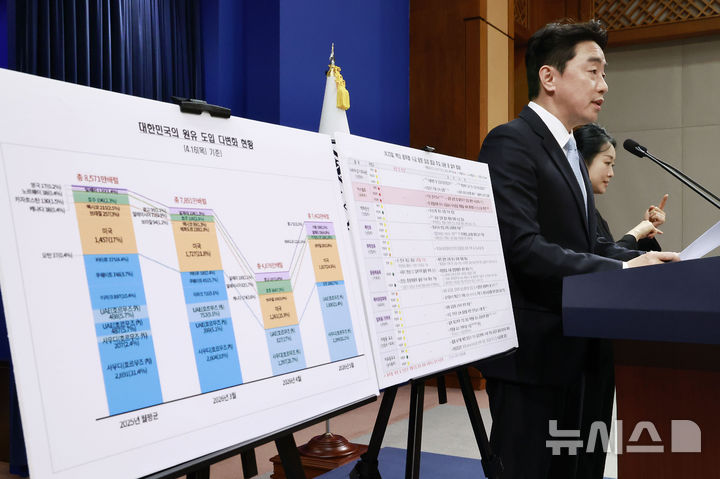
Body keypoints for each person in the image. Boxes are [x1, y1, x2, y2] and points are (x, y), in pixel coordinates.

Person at [476, 19, 679, 479]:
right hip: (536, 360)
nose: (603, 85)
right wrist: (622, 273)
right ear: (549, 77)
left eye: (604, 74)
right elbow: (522, 247)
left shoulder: (569, 150)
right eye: (592, 71)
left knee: (581, 469)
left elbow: (591, 245)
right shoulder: (511, 142)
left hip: (586, 352)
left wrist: (642, 260)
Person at [575, 123, 668, 251]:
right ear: (581, 160)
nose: (611, 173)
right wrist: (636, 233)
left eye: (612, 165)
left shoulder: (591, 210)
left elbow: (610, 255)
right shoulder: (572, 208)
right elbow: (601, 258)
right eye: (607, 163)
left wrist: (644, 231)